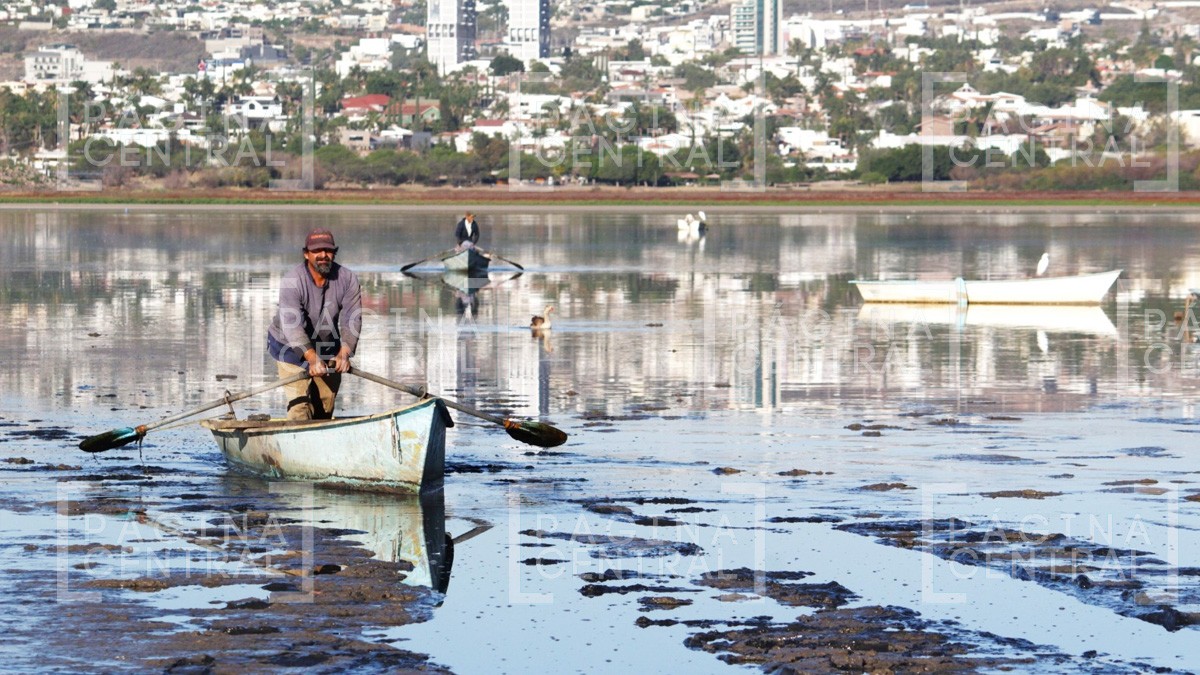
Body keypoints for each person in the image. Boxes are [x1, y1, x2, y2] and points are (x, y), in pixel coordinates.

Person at [266, 228, 362, 420]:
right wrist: (311, 357)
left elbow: (352, 317)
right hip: (289, 347)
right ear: (306, 254)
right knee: (300, 409)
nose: (323, 256)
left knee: (324, 410)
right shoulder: (293, 281)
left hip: (327, 344)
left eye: (328, 251)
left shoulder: (347, 278)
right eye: (317, 251)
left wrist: (345, 353)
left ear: (334, 253)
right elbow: (293, 326)